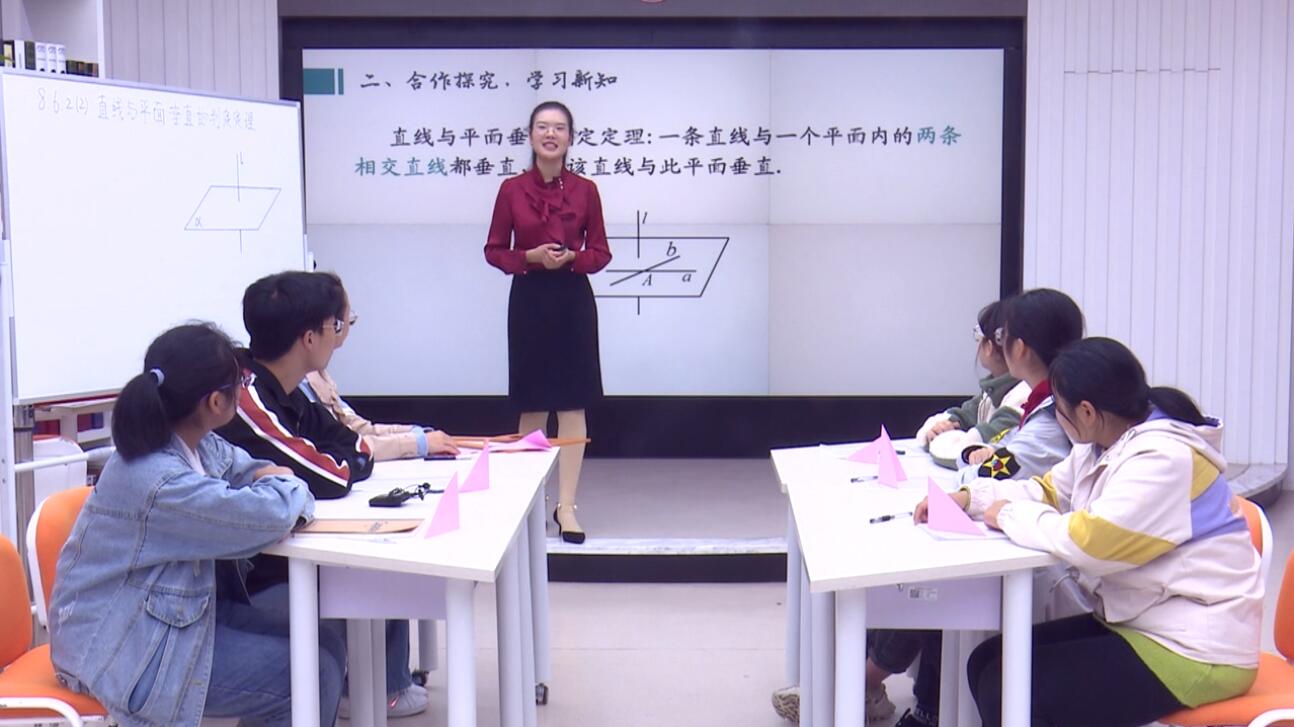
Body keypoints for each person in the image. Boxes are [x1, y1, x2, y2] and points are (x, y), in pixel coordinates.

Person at [772, 289, 1084, 726]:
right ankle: (874, 687)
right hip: (1021, 536)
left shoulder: (1047, 413)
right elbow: (983, 450)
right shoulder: (1041, 401)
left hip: (1038, 561)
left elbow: (991, 468)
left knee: (931, 583)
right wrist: (971, 454)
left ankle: (876, 690)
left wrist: (967, 456)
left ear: (1019, 347)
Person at [916, 337, 1263, 727]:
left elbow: (1092, 543)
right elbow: (1048, 491)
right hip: (1144, 619)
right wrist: (972, 498)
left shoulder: (1164, 459)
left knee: (1007, 686)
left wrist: (1009, 515)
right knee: (985, 662)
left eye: (1059, 410)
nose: (1056, 418)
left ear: (1086, 411)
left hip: (1197, 650)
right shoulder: (1100, 443)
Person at [48, 323, 345, 727]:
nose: (245, 390)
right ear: (216, 402)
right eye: (241, 384)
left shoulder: (195, 441)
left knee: (325, 643)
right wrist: (289, 485)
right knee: (312, 673)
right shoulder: (160, 481)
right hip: (121, 648)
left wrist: (276, 487)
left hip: (171, 618)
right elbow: (271, 512)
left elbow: (251, 472)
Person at [216, 270, 427, 718]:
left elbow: (351, 446)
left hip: (279, 550)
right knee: (368, 582)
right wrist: (343, 461)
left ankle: (379, 688)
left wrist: (344, 459)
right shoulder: (248, 397)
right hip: (249, 577)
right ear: (309, 337)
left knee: (380, 572)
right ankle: (373, 690)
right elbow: (329, 473)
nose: (340, 333)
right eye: (336, 324)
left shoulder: (289, 390)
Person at [484, 100, 612, 544]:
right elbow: (494, 250)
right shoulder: (511, 190)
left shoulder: (586, 190)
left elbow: (601, 252)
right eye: (542, 127)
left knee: (573, 405)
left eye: (559, 127)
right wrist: (530, 257)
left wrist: (573, 257)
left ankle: (567, 506)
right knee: (533, 405)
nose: (550, 134)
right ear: (531, 135)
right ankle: (529, 502)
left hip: (572, 300)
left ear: (571, 137)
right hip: (530, 300)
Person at [301, 283, 460, 460]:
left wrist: (417, 434)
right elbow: (344, 445)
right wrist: (417, 443)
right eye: (342, 323)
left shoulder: (316, 375)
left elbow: (355, 428)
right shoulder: (298, 388)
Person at [916, 300, 1031, 460]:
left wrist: (937, 438)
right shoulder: (992, 391)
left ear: (989, 346)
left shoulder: (1024, 396)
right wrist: (940, 428)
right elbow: (960, 415)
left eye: (978, 337)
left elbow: (966, 452)